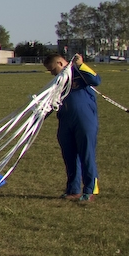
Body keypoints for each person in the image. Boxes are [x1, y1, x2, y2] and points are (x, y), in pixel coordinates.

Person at [44, 52, 99, 202]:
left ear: (60, 63)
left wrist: (80, 65)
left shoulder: (79, 73)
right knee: (69, 156)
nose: (52, 73)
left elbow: (95, 80)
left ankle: (90, 189)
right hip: (65, 121)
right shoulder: (58, 81)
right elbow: (52, 101)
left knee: (86, 154)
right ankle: (73, 189)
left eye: (52, 69)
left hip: (84, 120)